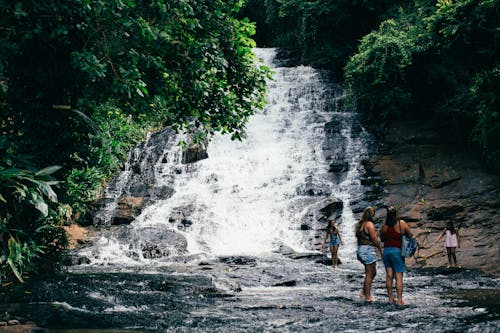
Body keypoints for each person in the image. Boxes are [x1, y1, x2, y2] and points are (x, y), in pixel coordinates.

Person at [379, 206, 413, 305]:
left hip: (386, 252)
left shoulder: (384, 226)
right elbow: (410, 235)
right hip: (397, 252)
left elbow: (382, 239)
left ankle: (390, 299)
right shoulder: (401, 224)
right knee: (398, 276)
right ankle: (400, 300)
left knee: (389, 275)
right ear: (395, 214)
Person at [355, 206, 382, 302]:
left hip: (361, 249)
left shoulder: (360, 225)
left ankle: (363, 292)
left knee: (372, 273)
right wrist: (380, 249)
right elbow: (374, 239)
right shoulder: (369, 224)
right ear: (371, 215)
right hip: (368, 250)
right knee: (370, 274)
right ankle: (368, 297)